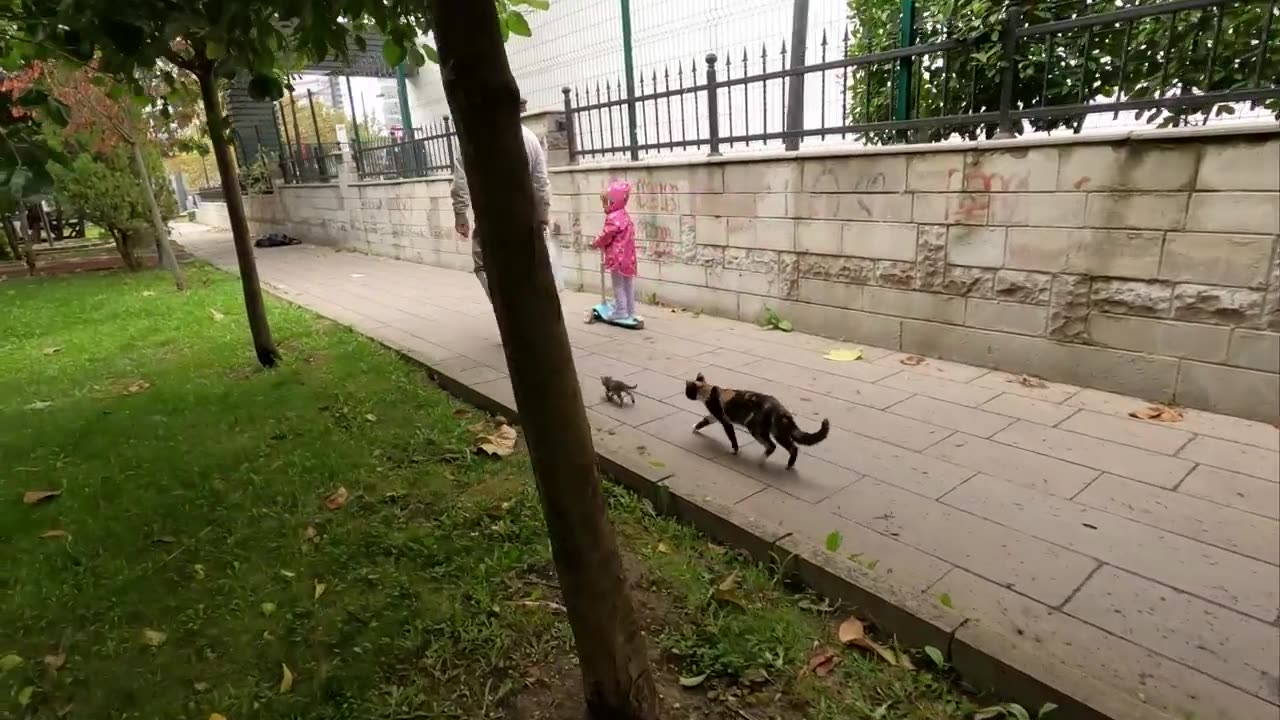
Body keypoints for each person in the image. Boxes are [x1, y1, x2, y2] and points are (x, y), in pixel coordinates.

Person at [451, 97, 554, 300]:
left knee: (484, 266)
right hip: (526, 218)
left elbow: (460, 180)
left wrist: (460, 214)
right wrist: (542, 217)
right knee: (527, 266)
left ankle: (505, 305)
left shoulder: (474, 138)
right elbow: (541, 183)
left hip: (491, 218)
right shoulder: (530, 138)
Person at [592, 180, 637, 321]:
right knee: (628, 284)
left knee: (618, 285)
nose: (603, 207)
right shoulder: (624, 215)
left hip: (617, 258)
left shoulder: (612, 218)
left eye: (605, 203)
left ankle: (621, 311)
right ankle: (630, 310)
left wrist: (595, 242)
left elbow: (606, 235)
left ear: (613, 202)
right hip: (629, 258)